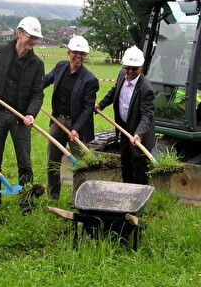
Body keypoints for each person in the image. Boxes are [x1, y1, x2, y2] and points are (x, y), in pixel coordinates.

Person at [0, 16, 44, 214]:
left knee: (25, 163)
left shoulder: (37, 63)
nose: (34, 41)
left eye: (36, 38)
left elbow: (37, 94)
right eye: (31, 36)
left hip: (20, 118)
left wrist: (31, 114)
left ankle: (26, 204)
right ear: (19, 34)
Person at [44, 35, 99, 201]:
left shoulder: (90, 80)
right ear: (68, 52)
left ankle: (78, 200)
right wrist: (31, 90)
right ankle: (53, 196)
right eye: (76, 52)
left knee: (79, 165)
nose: (79, 56)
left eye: (82, 53)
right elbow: (46, 80)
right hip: (58, 120)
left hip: (78, 126)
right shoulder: (60, 67)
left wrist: (76, 129)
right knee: (52, 162)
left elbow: (88, 108)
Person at [95, 46, 155, 185]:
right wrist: (101, 105)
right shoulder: (122, 74)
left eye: (134, 69)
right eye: (127, 68)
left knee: (139, 169)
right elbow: (114, 91)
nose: (130, 72)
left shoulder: (146, 89)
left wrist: (139, 134)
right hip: (124, 129)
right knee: (126, 165)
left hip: (140, 136)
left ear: (141, 66)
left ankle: (139, 197)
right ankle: (126, 192)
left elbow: (147, 116)